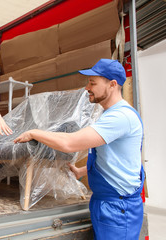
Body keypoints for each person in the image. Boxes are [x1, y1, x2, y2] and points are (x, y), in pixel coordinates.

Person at [14, 59, 144, 240]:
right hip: (107, 203)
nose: (86, 88)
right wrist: (81, 171)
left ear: (112, 85)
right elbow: (116, 157)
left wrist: (35, 133)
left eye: (92, 83)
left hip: (118, 208)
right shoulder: (111, 114)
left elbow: (70, 142)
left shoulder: (120, 117)